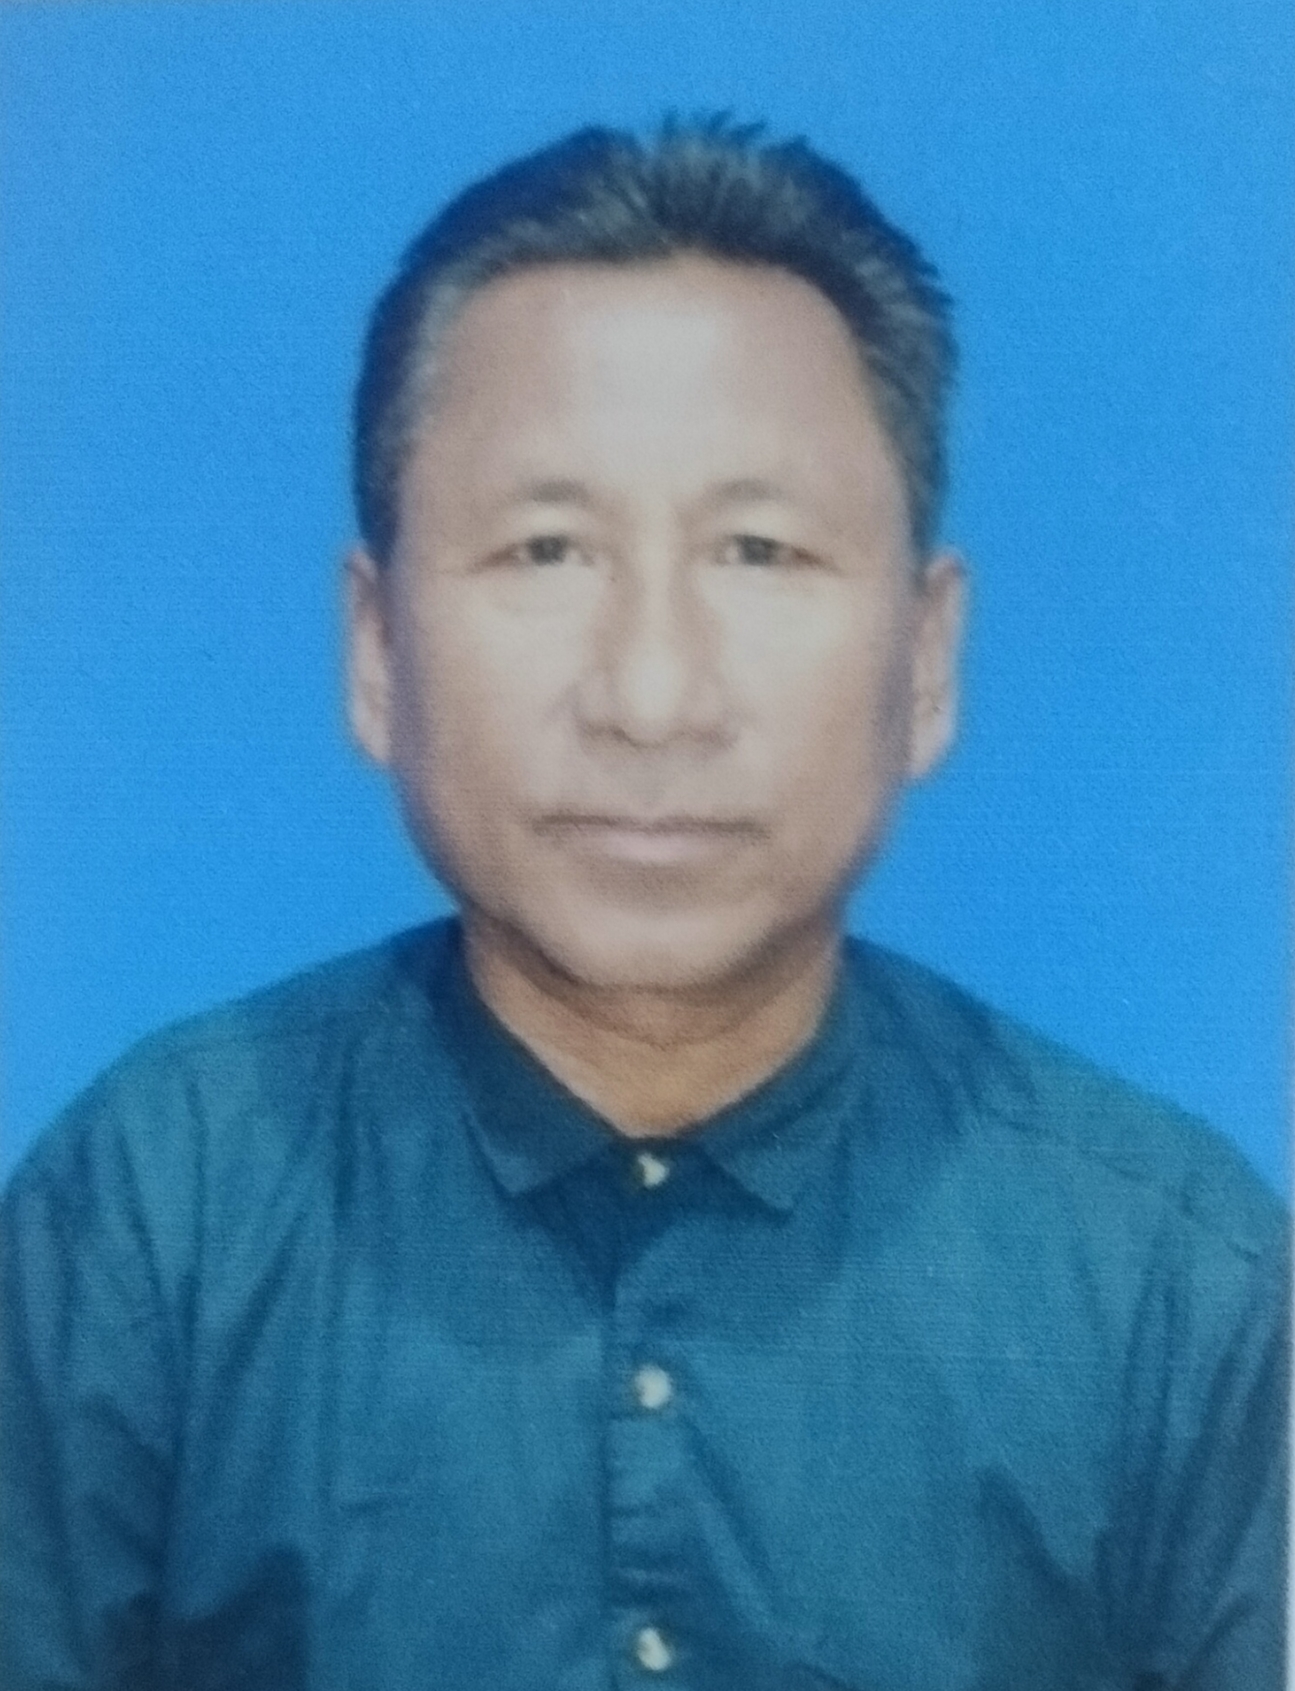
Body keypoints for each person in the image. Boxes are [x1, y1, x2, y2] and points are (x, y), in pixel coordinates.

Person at [1, 117, 1285, 1691]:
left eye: (759, 550)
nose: (654, 694)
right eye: (548, 549)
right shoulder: (147, 1225)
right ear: (378, 653)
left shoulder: (1175, 1283)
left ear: (928, 658)